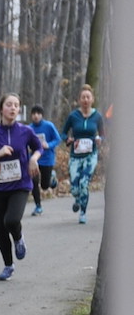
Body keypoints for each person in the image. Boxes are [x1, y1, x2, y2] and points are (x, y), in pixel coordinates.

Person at [0, 94, 42, 281]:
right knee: (0, 229)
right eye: (9, 104)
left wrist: (33, 158)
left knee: (11, 220)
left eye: (16, 105)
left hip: (20, 185)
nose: (13, 108)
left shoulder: (25, 131)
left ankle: (18, 238)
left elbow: (39, 147)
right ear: (1, 109)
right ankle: (8, 265)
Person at [61, 84, 104, 224]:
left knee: (84, 183)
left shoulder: (97, 116)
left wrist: (100, 139)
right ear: (79, 100)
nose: (85, 100)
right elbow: (63, 133)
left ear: (92, 99)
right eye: (83, 97)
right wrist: (67, 139)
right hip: (75, 156)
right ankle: (78, 198)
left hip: (91, 155)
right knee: (74, 188)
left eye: (88, 97)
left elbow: (103, 134)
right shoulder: (73, 116)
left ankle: (83, 213)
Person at [27, 104, 62, 215]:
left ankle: (52, 178)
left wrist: (49, 145)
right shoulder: (29, 128)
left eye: (38, 113)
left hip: (47, 159)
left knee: (45, 186)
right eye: (34, 114)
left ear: (42, 115)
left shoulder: (49, 126)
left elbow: (57, 139)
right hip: (34, 160)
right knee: (34, 182)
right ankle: (38, 206)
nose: (36, 116)